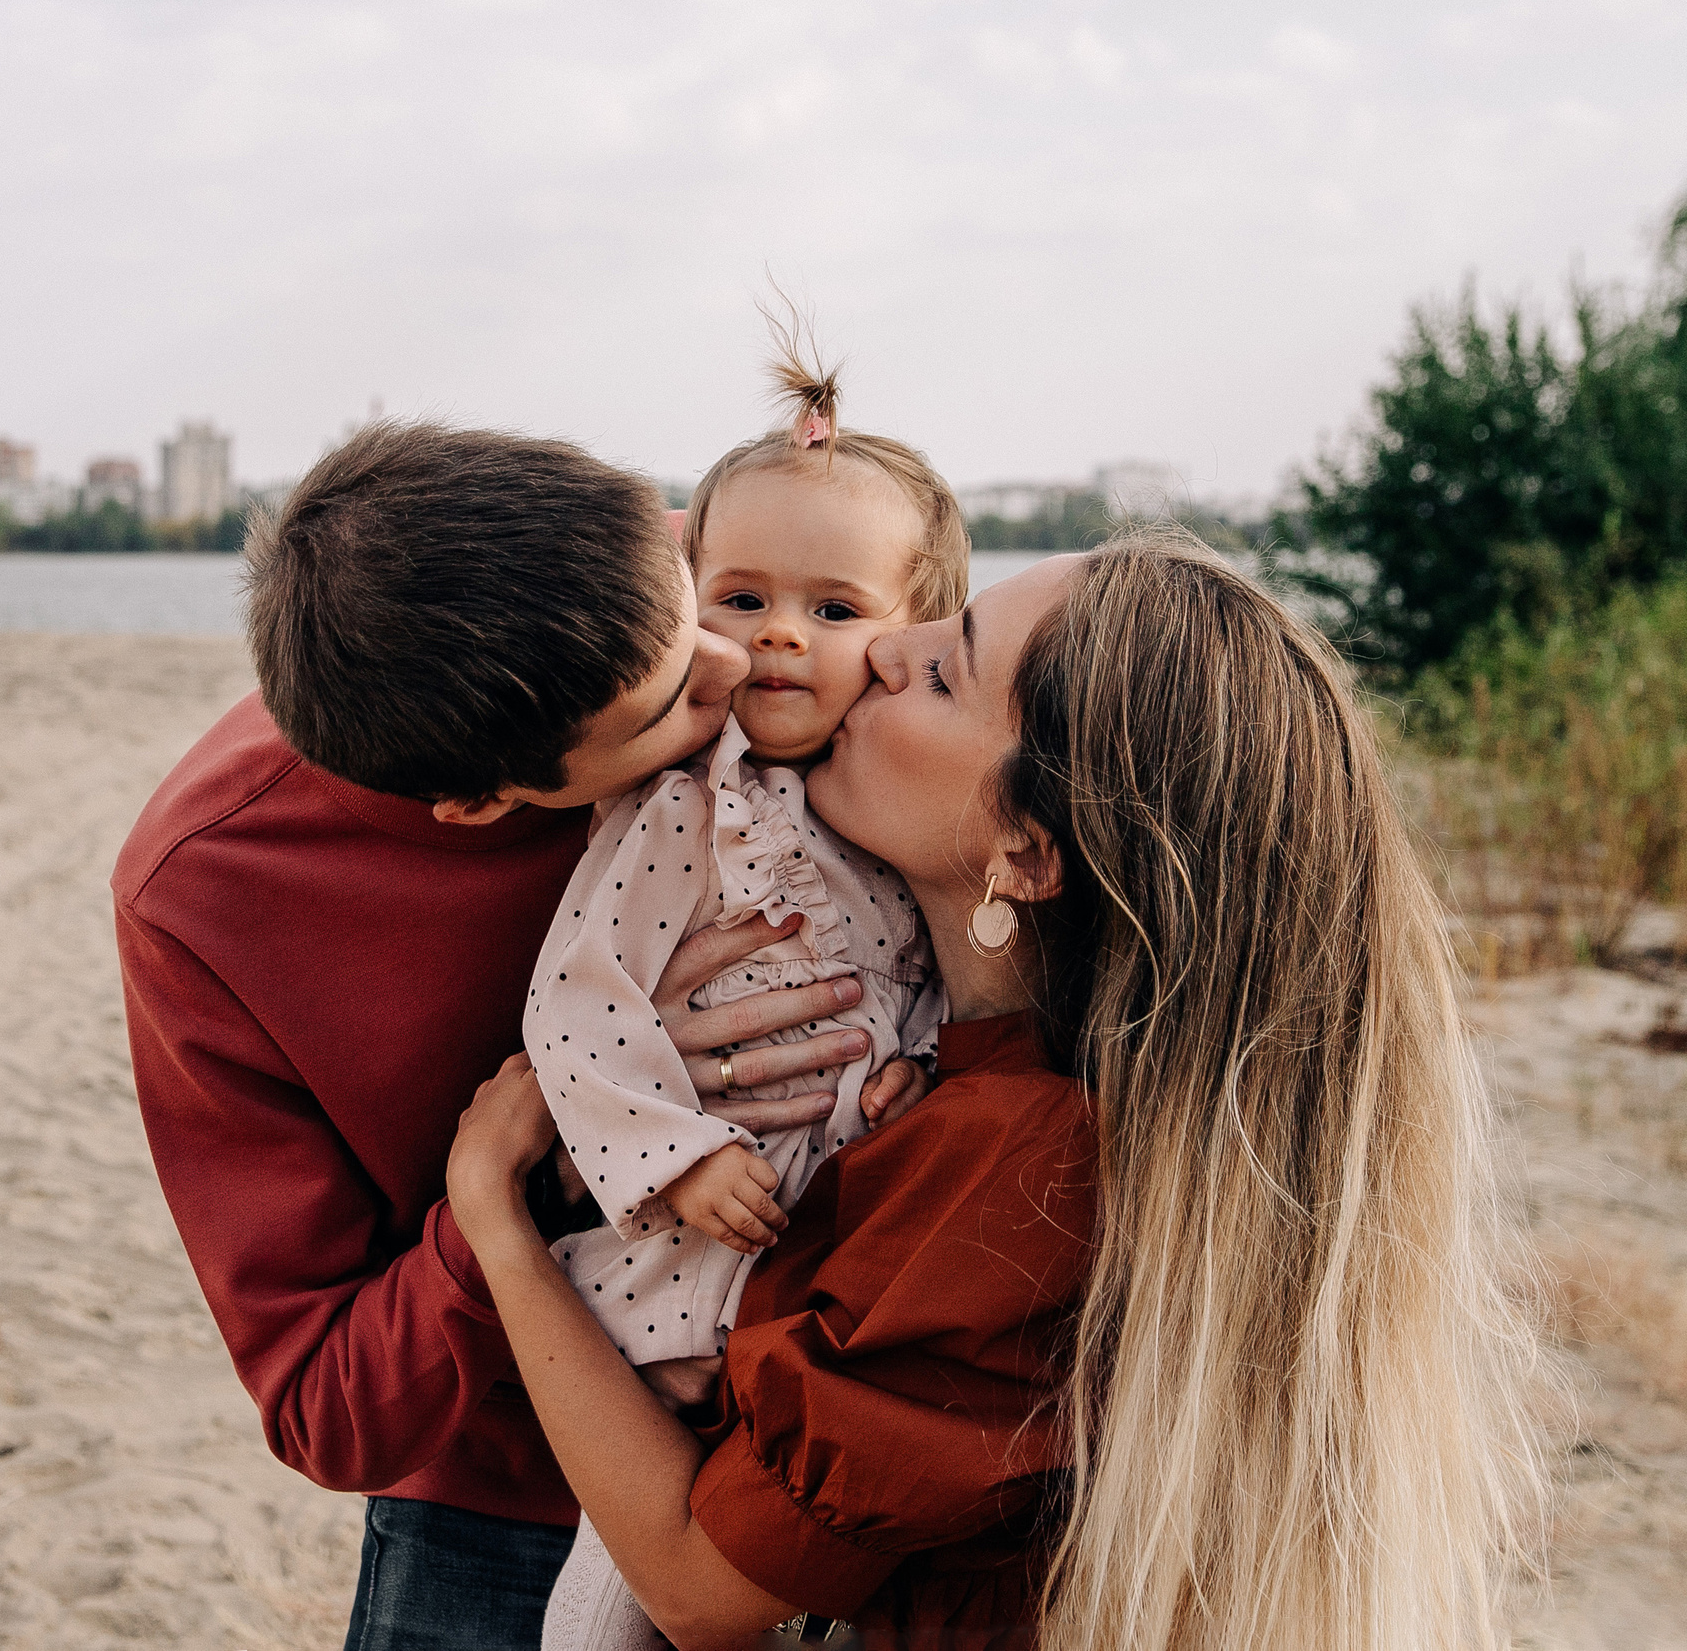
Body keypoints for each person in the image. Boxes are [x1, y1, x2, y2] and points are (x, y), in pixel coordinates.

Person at [447, 532, 1546, 1650]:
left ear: (1023, 852)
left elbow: (698, 1590)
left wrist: (495, 1215)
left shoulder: (1025, 1164)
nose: (881, 648)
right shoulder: (990, 1081)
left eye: (940, 671)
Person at [112, 421, 886, 1650]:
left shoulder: (738, 579)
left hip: (841, 1425)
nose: (738, 672)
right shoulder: (209, 895)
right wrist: (552, 1165)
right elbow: (326, 1406)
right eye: (667, 705)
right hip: (506, 1506)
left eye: (702, 610)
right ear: (478, 804)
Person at [528, 367, 970, 1647]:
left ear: (907, 630)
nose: (779, 633)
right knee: (621, 1585)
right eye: (742, 598)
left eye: (831, 607)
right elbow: (576, 1001)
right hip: (690, 1242)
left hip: (819, 1248)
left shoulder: (895, 806)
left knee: (783, 1568)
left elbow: (937, 973)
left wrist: (919, 1066)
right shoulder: (685, 809)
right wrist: (677, 1150)